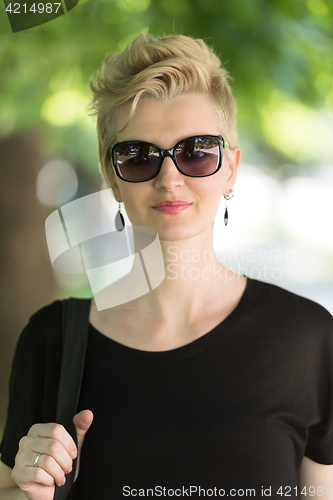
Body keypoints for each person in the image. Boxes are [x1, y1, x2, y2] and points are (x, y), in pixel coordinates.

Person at [0, 28, 333, 500]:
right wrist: (28, 491)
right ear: (112, 178)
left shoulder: (308, 339)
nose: (169, 178)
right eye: (138, 157)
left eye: (196, 152)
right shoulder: (51, 341)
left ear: (231, 168)